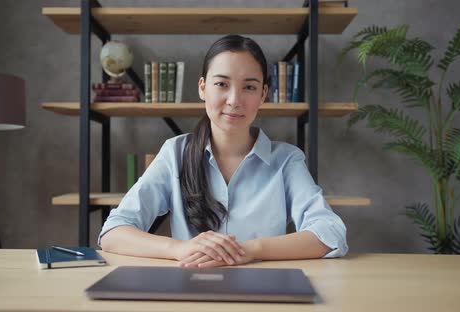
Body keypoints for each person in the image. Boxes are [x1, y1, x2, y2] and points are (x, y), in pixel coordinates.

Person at [100, 35, 348, 268]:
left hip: (265, 292)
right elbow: (113, 232)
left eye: (249, 87)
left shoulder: (286, 160)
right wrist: (179, 249)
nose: (234, 100)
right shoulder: (175, 153)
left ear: (263, 95)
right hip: (192, 289)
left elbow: (331, 233)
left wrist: (250, 250)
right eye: (221, 84)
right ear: (202, 88)